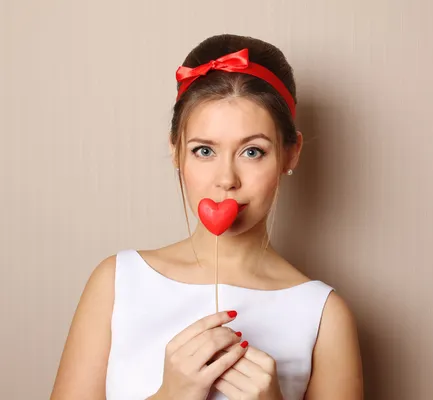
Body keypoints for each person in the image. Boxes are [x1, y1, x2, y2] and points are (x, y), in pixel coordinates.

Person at [50, 34, 363, 400]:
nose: (226, 180)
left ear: (290, 154)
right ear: (176, 152)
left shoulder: (325, 316)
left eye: (252, 151)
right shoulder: (116, 282)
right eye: (203, 150)